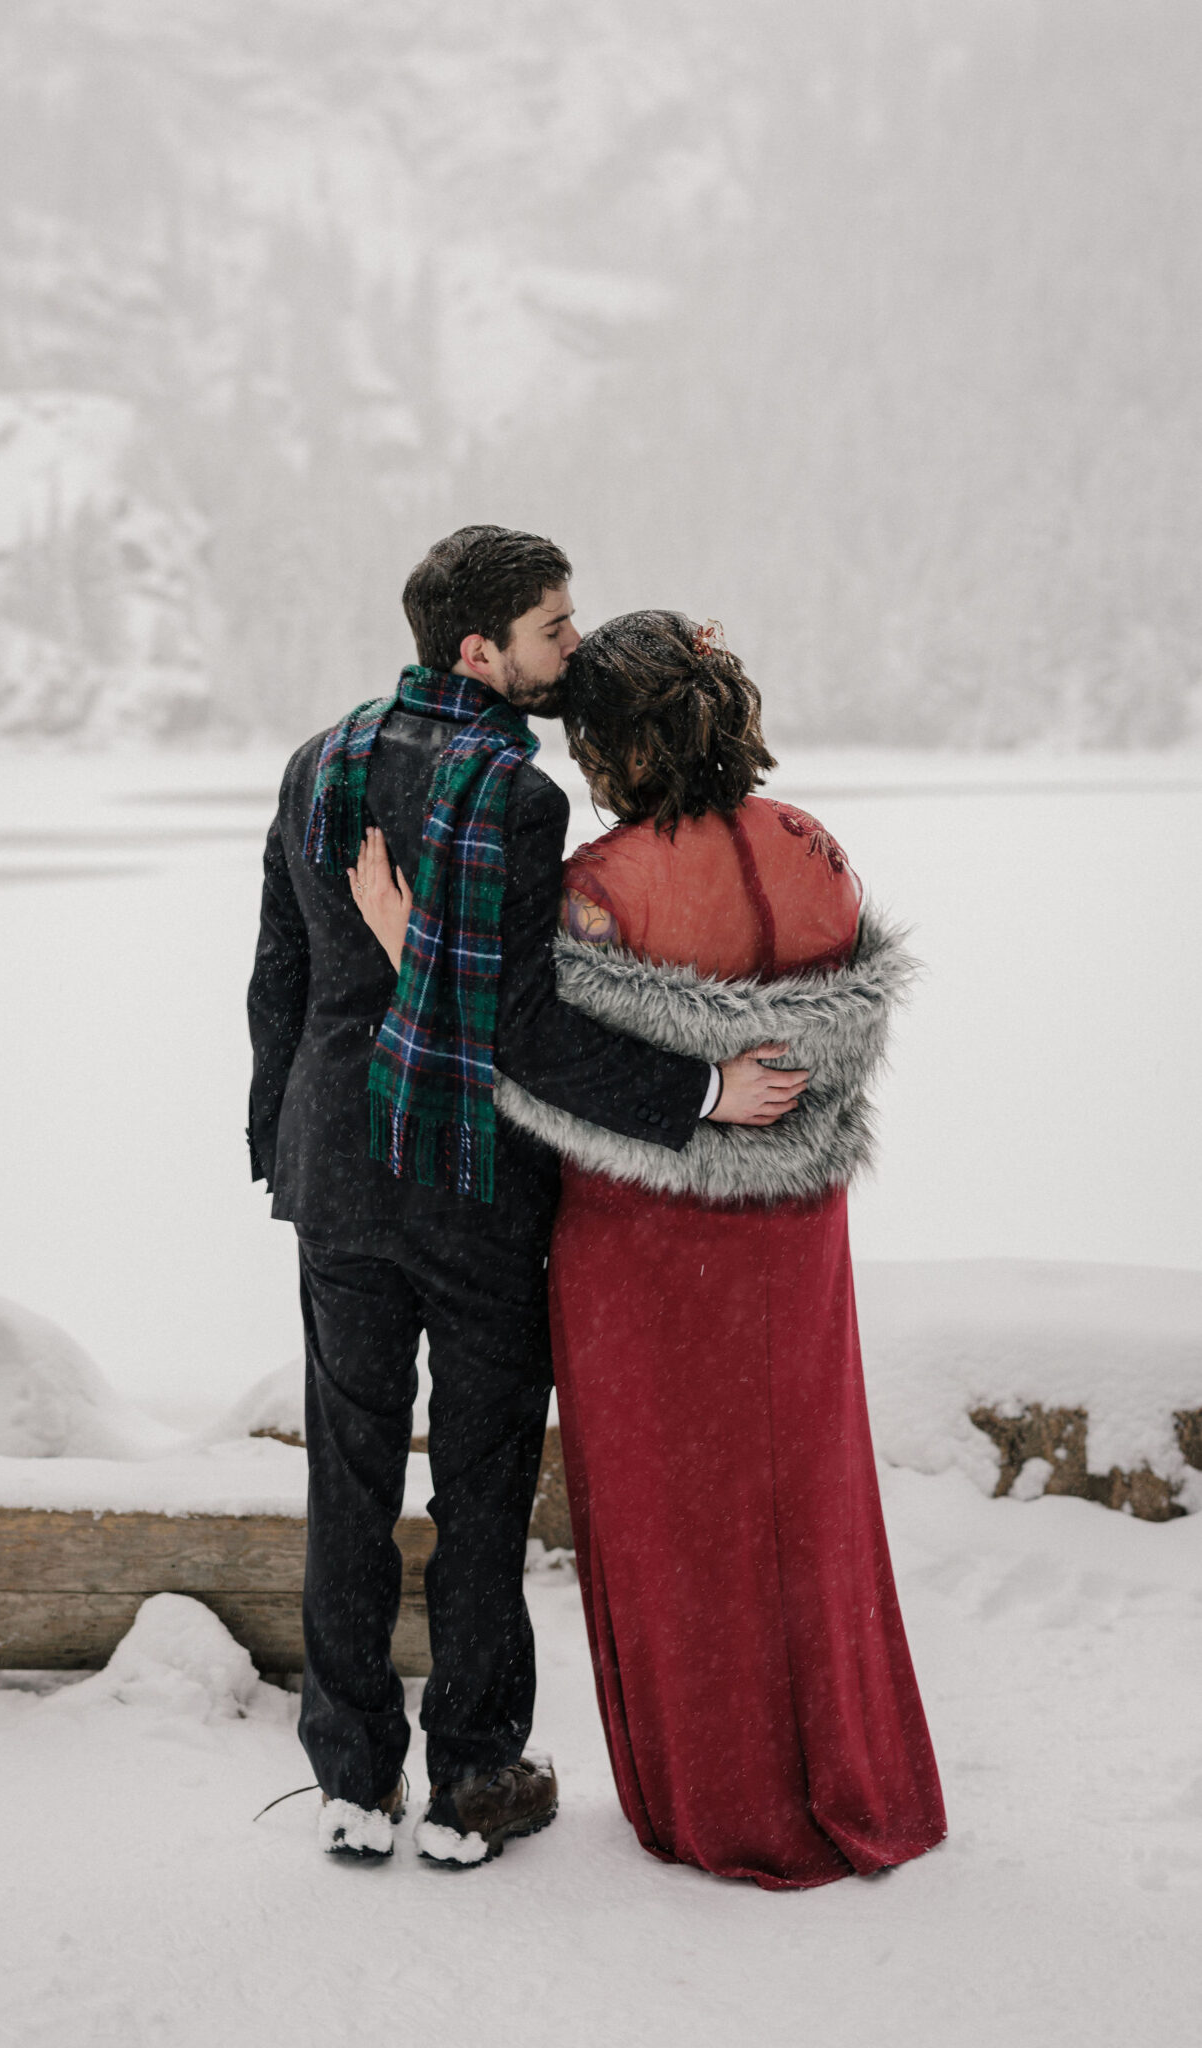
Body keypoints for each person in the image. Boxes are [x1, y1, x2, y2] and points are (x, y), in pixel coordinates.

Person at [354, 608, 947, 1888]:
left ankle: (720, 1801)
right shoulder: (818, 852)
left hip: (649, 1243)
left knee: (678, 1519)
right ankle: (853, 1773)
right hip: (797, 1237)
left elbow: (533, 1070)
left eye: (586, 742)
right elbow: (814, 1048)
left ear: (621, 744)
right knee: (811, 1501)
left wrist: (414, 956)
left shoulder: (600, 891)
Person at [246, 532, 803, 1868]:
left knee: (352, 1474)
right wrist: (699, 1097)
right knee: (483, 1488)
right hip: (474, 1182)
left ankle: (350, 1777)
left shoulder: (320, 758)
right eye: (554, 628)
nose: (572, 645)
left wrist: (283, 1141)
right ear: (479, 650)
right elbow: (526, 1028)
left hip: (341, 1175)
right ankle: (477, 1776)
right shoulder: (514, 792)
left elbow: (275, 972)